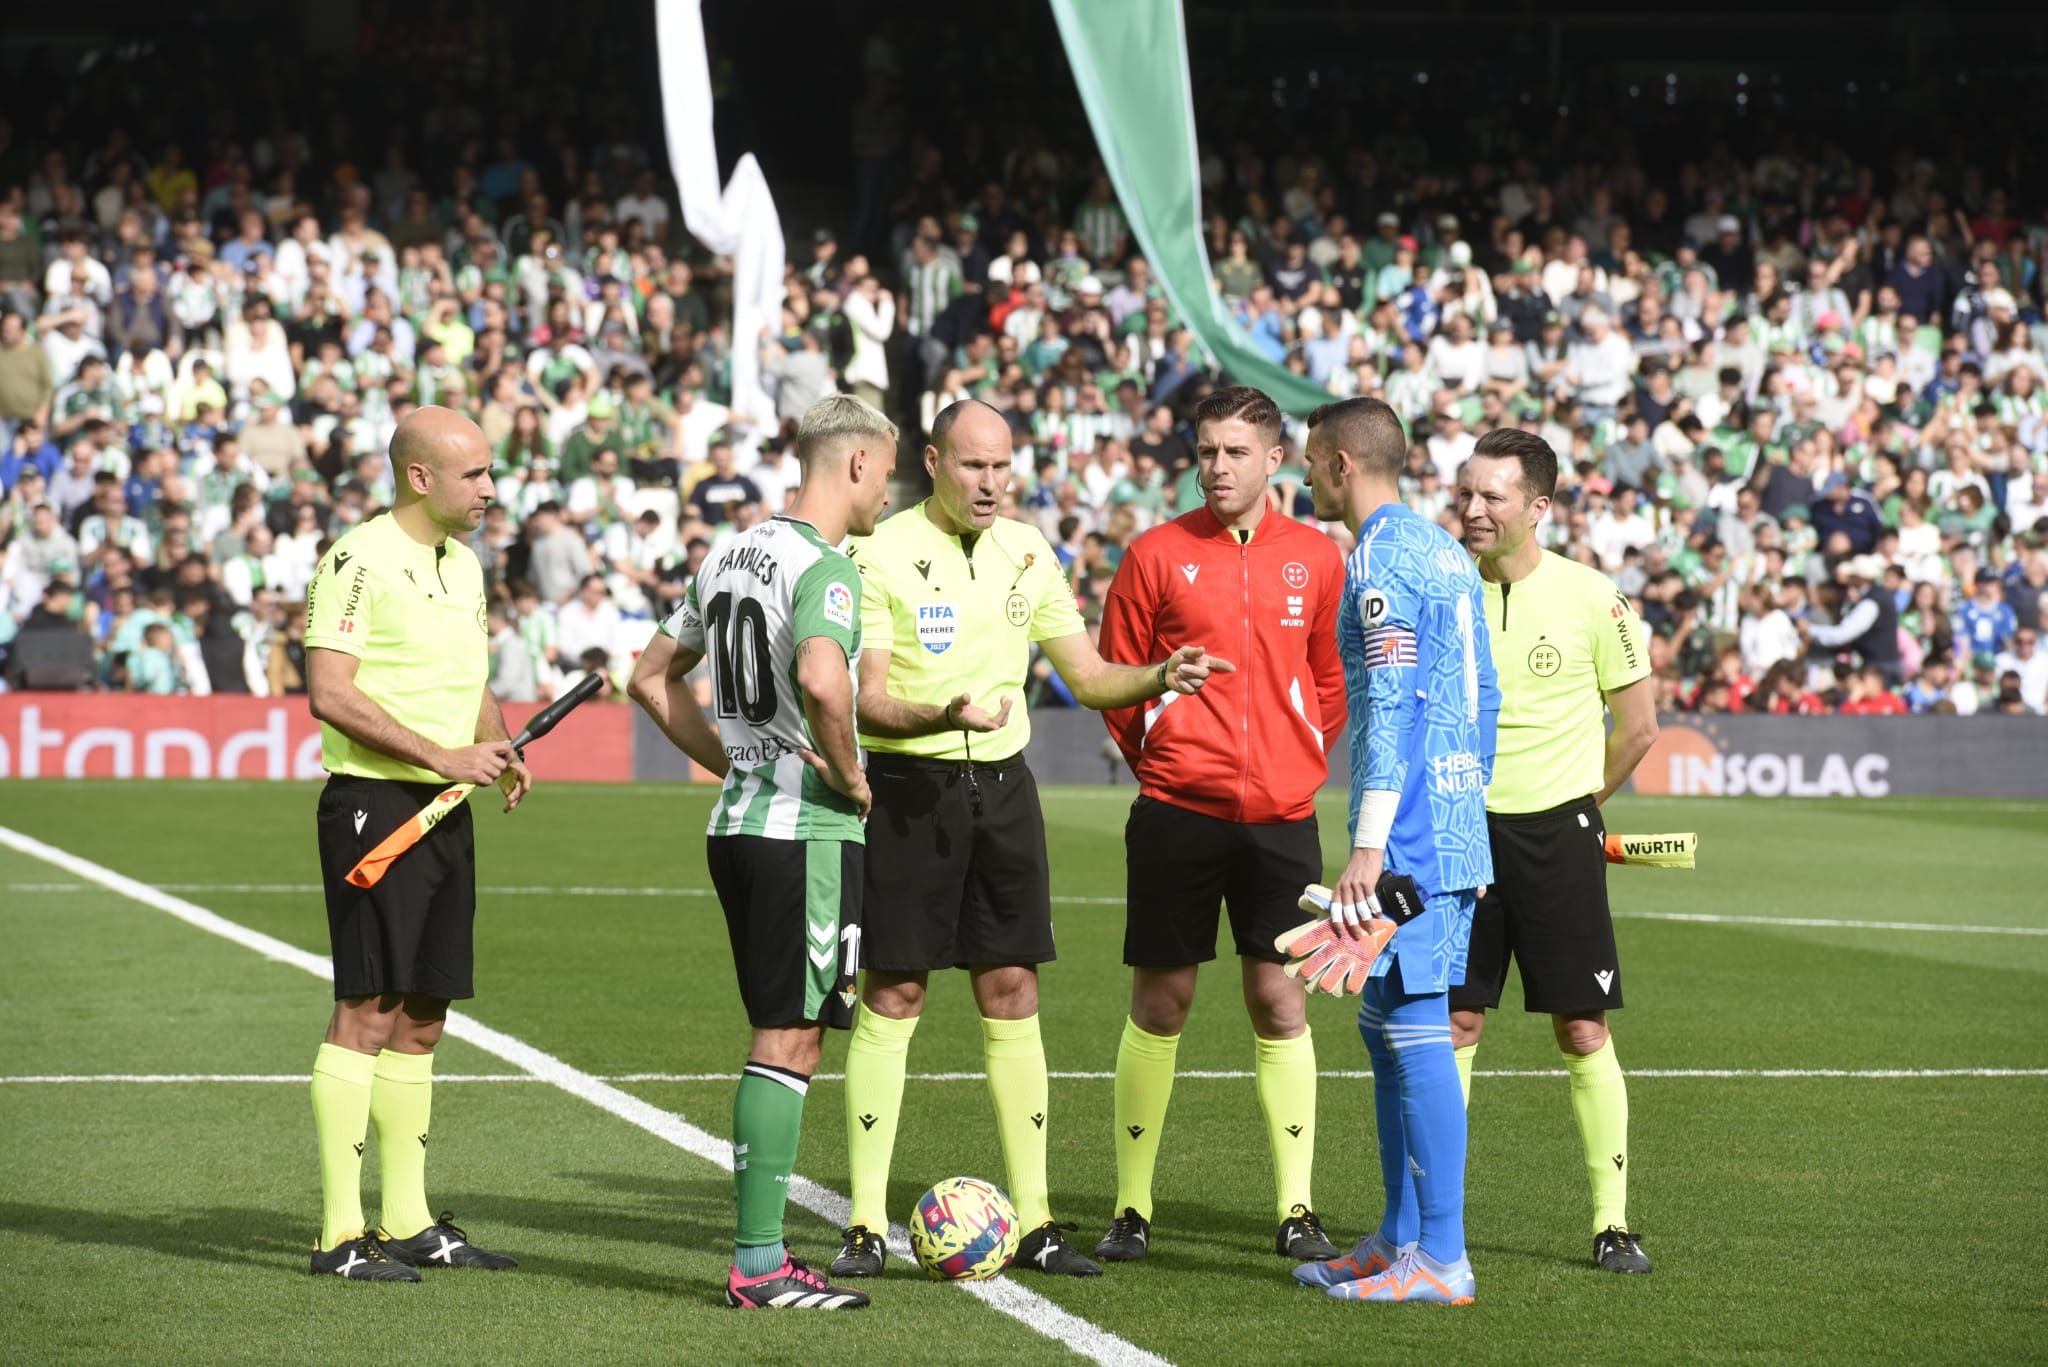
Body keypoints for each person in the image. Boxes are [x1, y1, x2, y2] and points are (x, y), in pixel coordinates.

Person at [830, 398, 1229, 1281]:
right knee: (895, 992)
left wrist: (1159, 675)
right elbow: (868, 699)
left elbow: (1086, 674)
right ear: (933, 462)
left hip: (1006, 793)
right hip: (910, 791)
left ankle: (1039, 1219)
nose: (992, 483)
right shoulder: (878, 551)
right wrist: (944, 711)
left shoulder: (1028, 548)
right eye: (974, 465)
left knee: (1012, 988)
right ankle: (862, 1222)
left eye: (1002, 466)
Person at [628, 393, 897, 1311]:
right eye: (887, 472)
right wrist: (852, 776)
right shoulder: (828, 567)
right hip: (803, 832)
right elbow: (823, 678)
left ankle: (762, 1254)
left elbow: (647, 676)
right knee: (789, 1037)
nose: (887, 493)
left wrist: (729, 760)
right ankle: (758, 1263)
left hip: (740, 824)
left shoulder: (727, 554)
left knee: (785, 1031)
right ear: (855, 463)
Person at [1090, 386, 1348, 1264]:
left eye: (1236, 452)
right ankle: (1131, 1206)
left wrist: (1293, 757)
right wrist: (1166, 758)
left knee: (1280, 1000)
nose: (1218, 467)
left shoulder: (1315, 557)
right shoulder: (1155, 553)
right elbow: (1118, 678)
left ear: (1274, 459)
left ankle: (1297, 1207)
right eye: (1206, 451)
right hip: (1176, 812)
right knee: (1162, 1001)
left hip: (1283, 818)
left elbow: (1330, 683)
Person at [302, 407, 531, 1280]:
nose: (490, 489)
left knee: (424, 1014)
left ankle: (407, 1219)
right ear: (419, 476)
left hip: (448, 804)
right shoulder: (356, 558)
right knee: (367, 1007)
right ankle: (338, 1233)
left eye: (490, 471)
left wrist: (496, 745)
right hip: (377, 804)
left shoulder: (463, 563)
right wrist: (443, 756)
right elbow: (329, 691)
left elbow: (469, 678)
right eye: (475, 474)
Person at [1292, 395, 1497, 1305]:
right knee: (1384, 1024)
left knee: (1414, 1030)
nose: (1303, 474)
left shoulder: (1378, 557)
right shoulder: (1444, 549)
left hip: (1408, 834)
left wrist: (1370, 844)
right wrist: (1467, 811)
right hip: (1444, 818)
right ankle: (1399, 1236)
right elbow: (1482, 694)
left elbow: (1392, 698)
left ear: (1342, 462)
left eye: (1309, 459)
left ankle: (1442, 1259)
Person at [1450, 427, 1660, 1275]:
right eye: (1466, 492)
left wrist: (1577, 808)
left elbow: (1638, 726)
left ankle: (1612, 1221)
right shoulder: (1442, 585)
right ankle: (1436, 1221)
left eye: (1491, 495)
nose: (1473, 508)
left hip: (1557, 835)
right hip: (1463, 836)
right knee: (1455, 1022)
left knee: (1580, 1026)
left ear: (1538, 506)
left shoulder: (1593, 596)